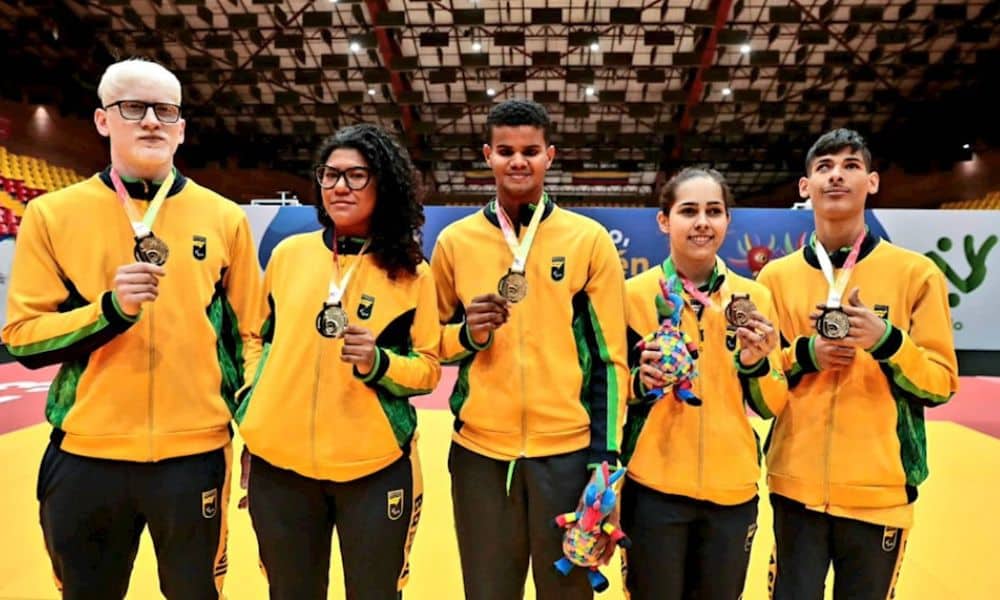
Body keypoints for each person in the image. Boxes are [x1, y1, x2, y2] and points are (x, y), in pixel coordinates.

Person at [2, 58, 262, 599]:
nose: (150, 121)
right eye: (133, 107)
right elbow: (22, 335)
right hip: (86, 457)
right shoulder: (53, 215)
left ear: (182, 128)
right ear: (103, 120)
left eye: (165, 110)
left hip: (195, 457)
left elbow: (250, 340)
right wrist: (109, 309)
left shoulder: (224, 218)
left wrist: (257, 436)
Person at [430, 98, 629, 599]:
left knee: (568, 592)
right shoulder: (455, 242)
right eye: (505, 150)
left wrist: (603, 462)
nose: (518, 161)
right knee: (488, 591)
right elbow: (428, 345)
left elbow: (609, 361)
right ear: (487, 156)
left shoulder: (589, 240)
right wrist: (468, 335)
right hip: (480, 455)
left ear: (550, 156)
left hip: (565, 456)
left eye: (530, 151)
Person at [236, 124, 440, 599]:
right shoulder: (288, 255)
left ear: (383, 183)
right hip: (279, 470)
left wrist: (379, 363)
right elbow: (254, 338)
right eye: (330, 175)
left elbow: (428, 366)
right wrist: (254, 402)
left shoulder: (411, 274)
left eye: (356, 176)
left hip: (372, 472)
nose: (340, 187)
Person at [756, 129, 959, 600]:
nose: (836, 176)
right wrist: (806, 354)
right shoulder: (775, 278)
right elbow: (759, 382)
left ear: (872, 182)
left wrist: (887, 341)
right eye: (823, 167)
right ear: (805, 187)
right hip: (796, 486)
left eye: (849, 165)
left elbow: (941, 384)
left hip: (880, 492)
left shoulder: (915, 274)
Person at [621, 168, 787, 599]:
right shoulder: (632, 296)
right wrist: (640, 383)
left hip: (731, 492)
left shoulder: (755, 299)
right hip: (654, 489)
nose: (702, 222)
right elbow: (606, 389)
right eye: (688, 211)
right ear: (664, 220)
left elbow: (771, 404)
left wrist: (757, 363)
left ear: (728, 220)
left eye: (714, 211)